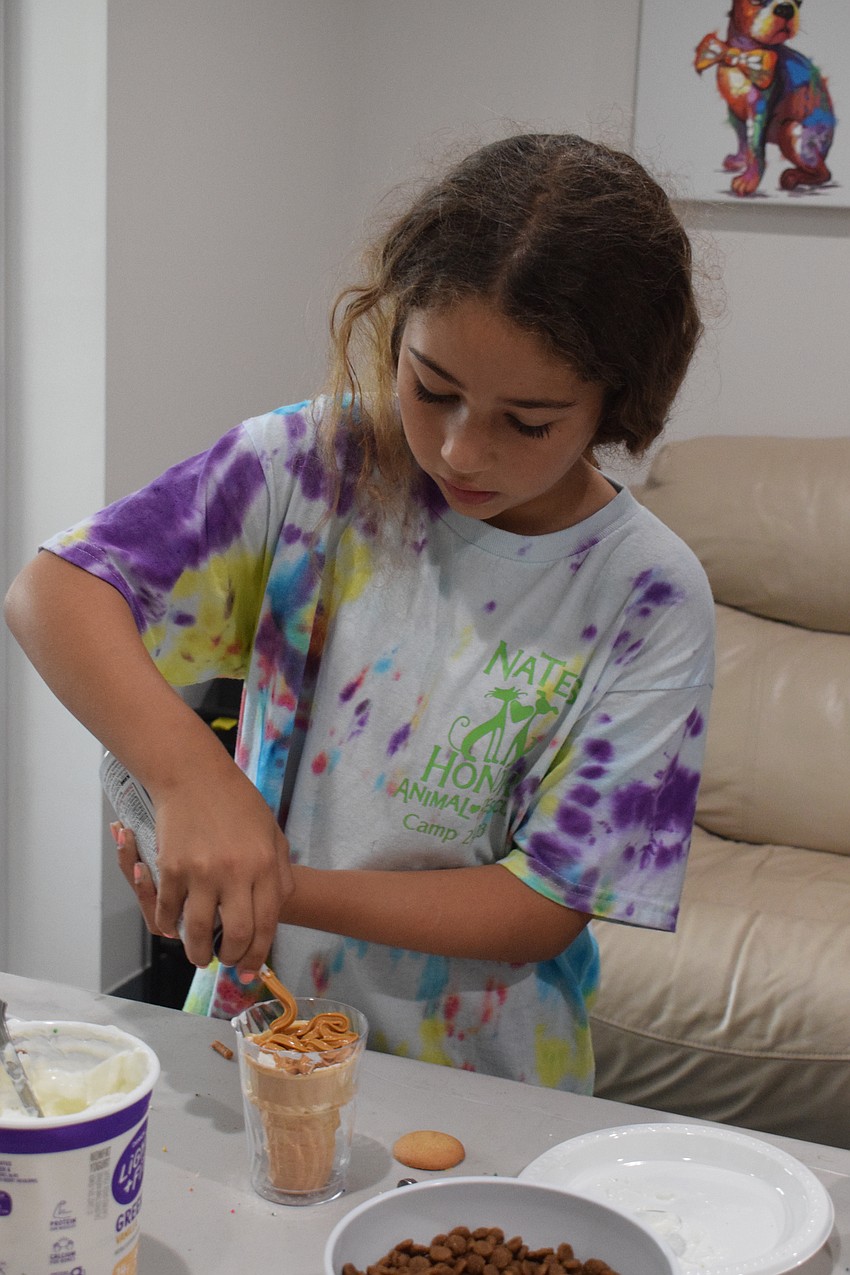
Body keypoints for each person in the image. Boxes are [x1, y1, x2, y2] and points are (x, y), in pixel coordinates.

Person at [4, 133, 714, 1093]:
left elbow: (542, 904)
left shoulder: (651, 595)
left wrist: (260, 882)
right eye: (433, 388)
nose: (462, 450)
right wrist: (189, 785)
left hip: (490, 1081)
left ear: (616, 402)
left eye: (528, 422)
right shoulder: (317, 464)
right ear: (393, 331)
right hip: (242, 1050)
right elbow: (54, 593)